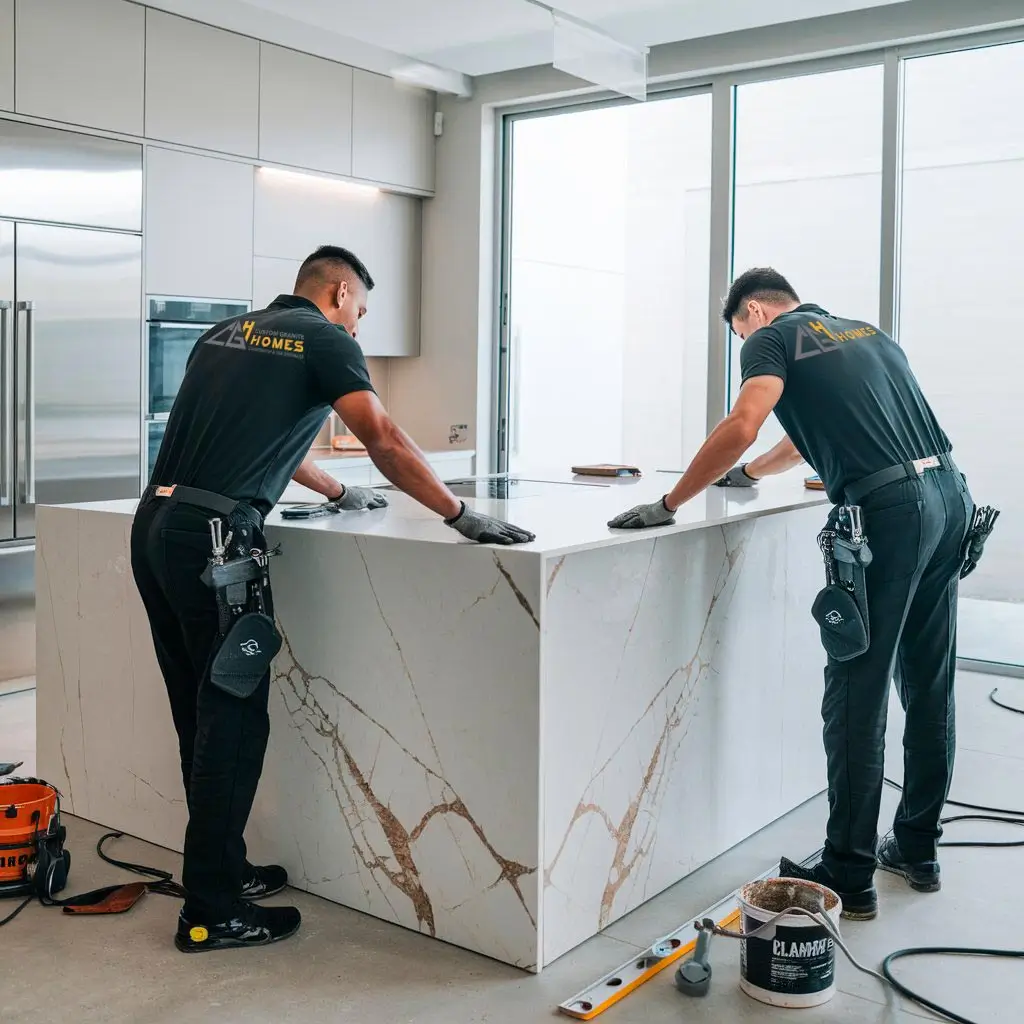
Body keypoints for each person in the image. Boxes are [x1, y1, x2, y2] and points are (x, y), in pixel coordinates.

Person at [131, 245, 534, 954]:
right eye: (361, 313)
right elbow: (381, 434)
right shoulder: (323, 339)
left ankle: (221, 871)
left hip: (158, 527)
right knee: (233, 722)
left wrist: (339, 492)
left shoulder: (225, 334)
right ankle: (212, 909)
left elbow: (268, 441)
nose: (359, 329)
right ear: (340, 291)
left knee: (198, 708)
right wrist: (457, 513)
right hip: (220, 541)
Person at [608, 267, 973, 921]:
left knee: (856, 691)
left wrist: (670, 501)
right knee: (928, 683)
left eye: (739, 330)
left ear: (752, 310)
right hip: (950, 496)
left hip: (888, 513)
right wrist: (747, 476)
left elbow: (746, 420)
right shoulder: (866, 333)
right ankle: (916, 848)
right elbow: (800, 440)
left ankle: (849, 872)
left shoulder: (771, 340)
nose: (743, 343)